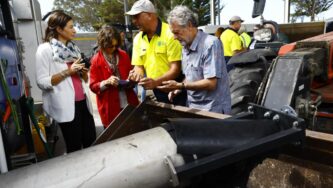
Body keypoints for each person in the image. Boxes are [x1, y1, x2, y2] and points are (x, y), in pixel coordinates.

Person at [36, 11, 96, 153]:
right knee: (74, 147)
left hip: (83, 104)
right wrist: (68, 71)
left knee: (91, 141)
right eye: (70, 27)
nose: (74, 30)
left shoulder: (73, 49)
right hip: (66, 106)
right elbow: (41, 82)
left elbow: (84, 80)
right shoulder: (44, 50)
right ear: (59, 29)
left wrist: (83, 73)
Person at [158, 5, 231, 114]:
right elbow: (191, 76)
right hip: (193, 107)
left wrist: (181, 85)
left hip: (213, 111)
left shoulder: (210, 44)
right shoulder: (185, 47)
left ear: (189, 25)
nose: (174, 37)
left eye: (176, 32)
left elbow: (211, 83)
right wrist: (178, 89)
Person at [125, 0, 186, 106]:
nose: (134, 21)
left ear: (149, 15)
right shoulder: (138, 39)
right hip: (154, 91)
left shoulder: (170, 33)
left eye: (136, 16)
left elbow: (175, 69)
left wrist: (156, 82)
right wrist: (135, 75)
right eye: (133, 18)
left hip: (174, 91)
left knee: (178, 121)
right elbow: (138, 67)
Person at [89, 26, 139, 128]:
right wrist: (106, 82)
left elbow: (132, 76)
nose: (114, 48)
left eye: (116, 45)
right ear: (102, 44)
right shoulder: (96, 60)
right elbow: (93, 86)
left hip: (128, 104)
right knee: (114, 138)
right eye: (110, 46)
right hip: (110, 109)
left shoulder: (123, 55)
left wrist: (133, 79)